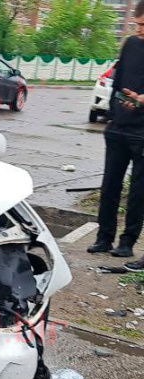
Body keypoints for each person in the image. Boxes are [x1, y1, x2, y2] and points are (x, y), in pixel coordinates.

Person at [88, 1, 144, 259]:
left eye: (143, 25)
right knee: (109, 185)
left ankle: (127, 242)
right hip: (119, 129)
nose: (138, 29)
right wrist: (112, 116)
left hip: (142, 133)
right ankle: (104, 238)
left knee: (137, 192)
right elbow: (117, 81)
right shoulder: (131, 45)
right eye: (137, 24)